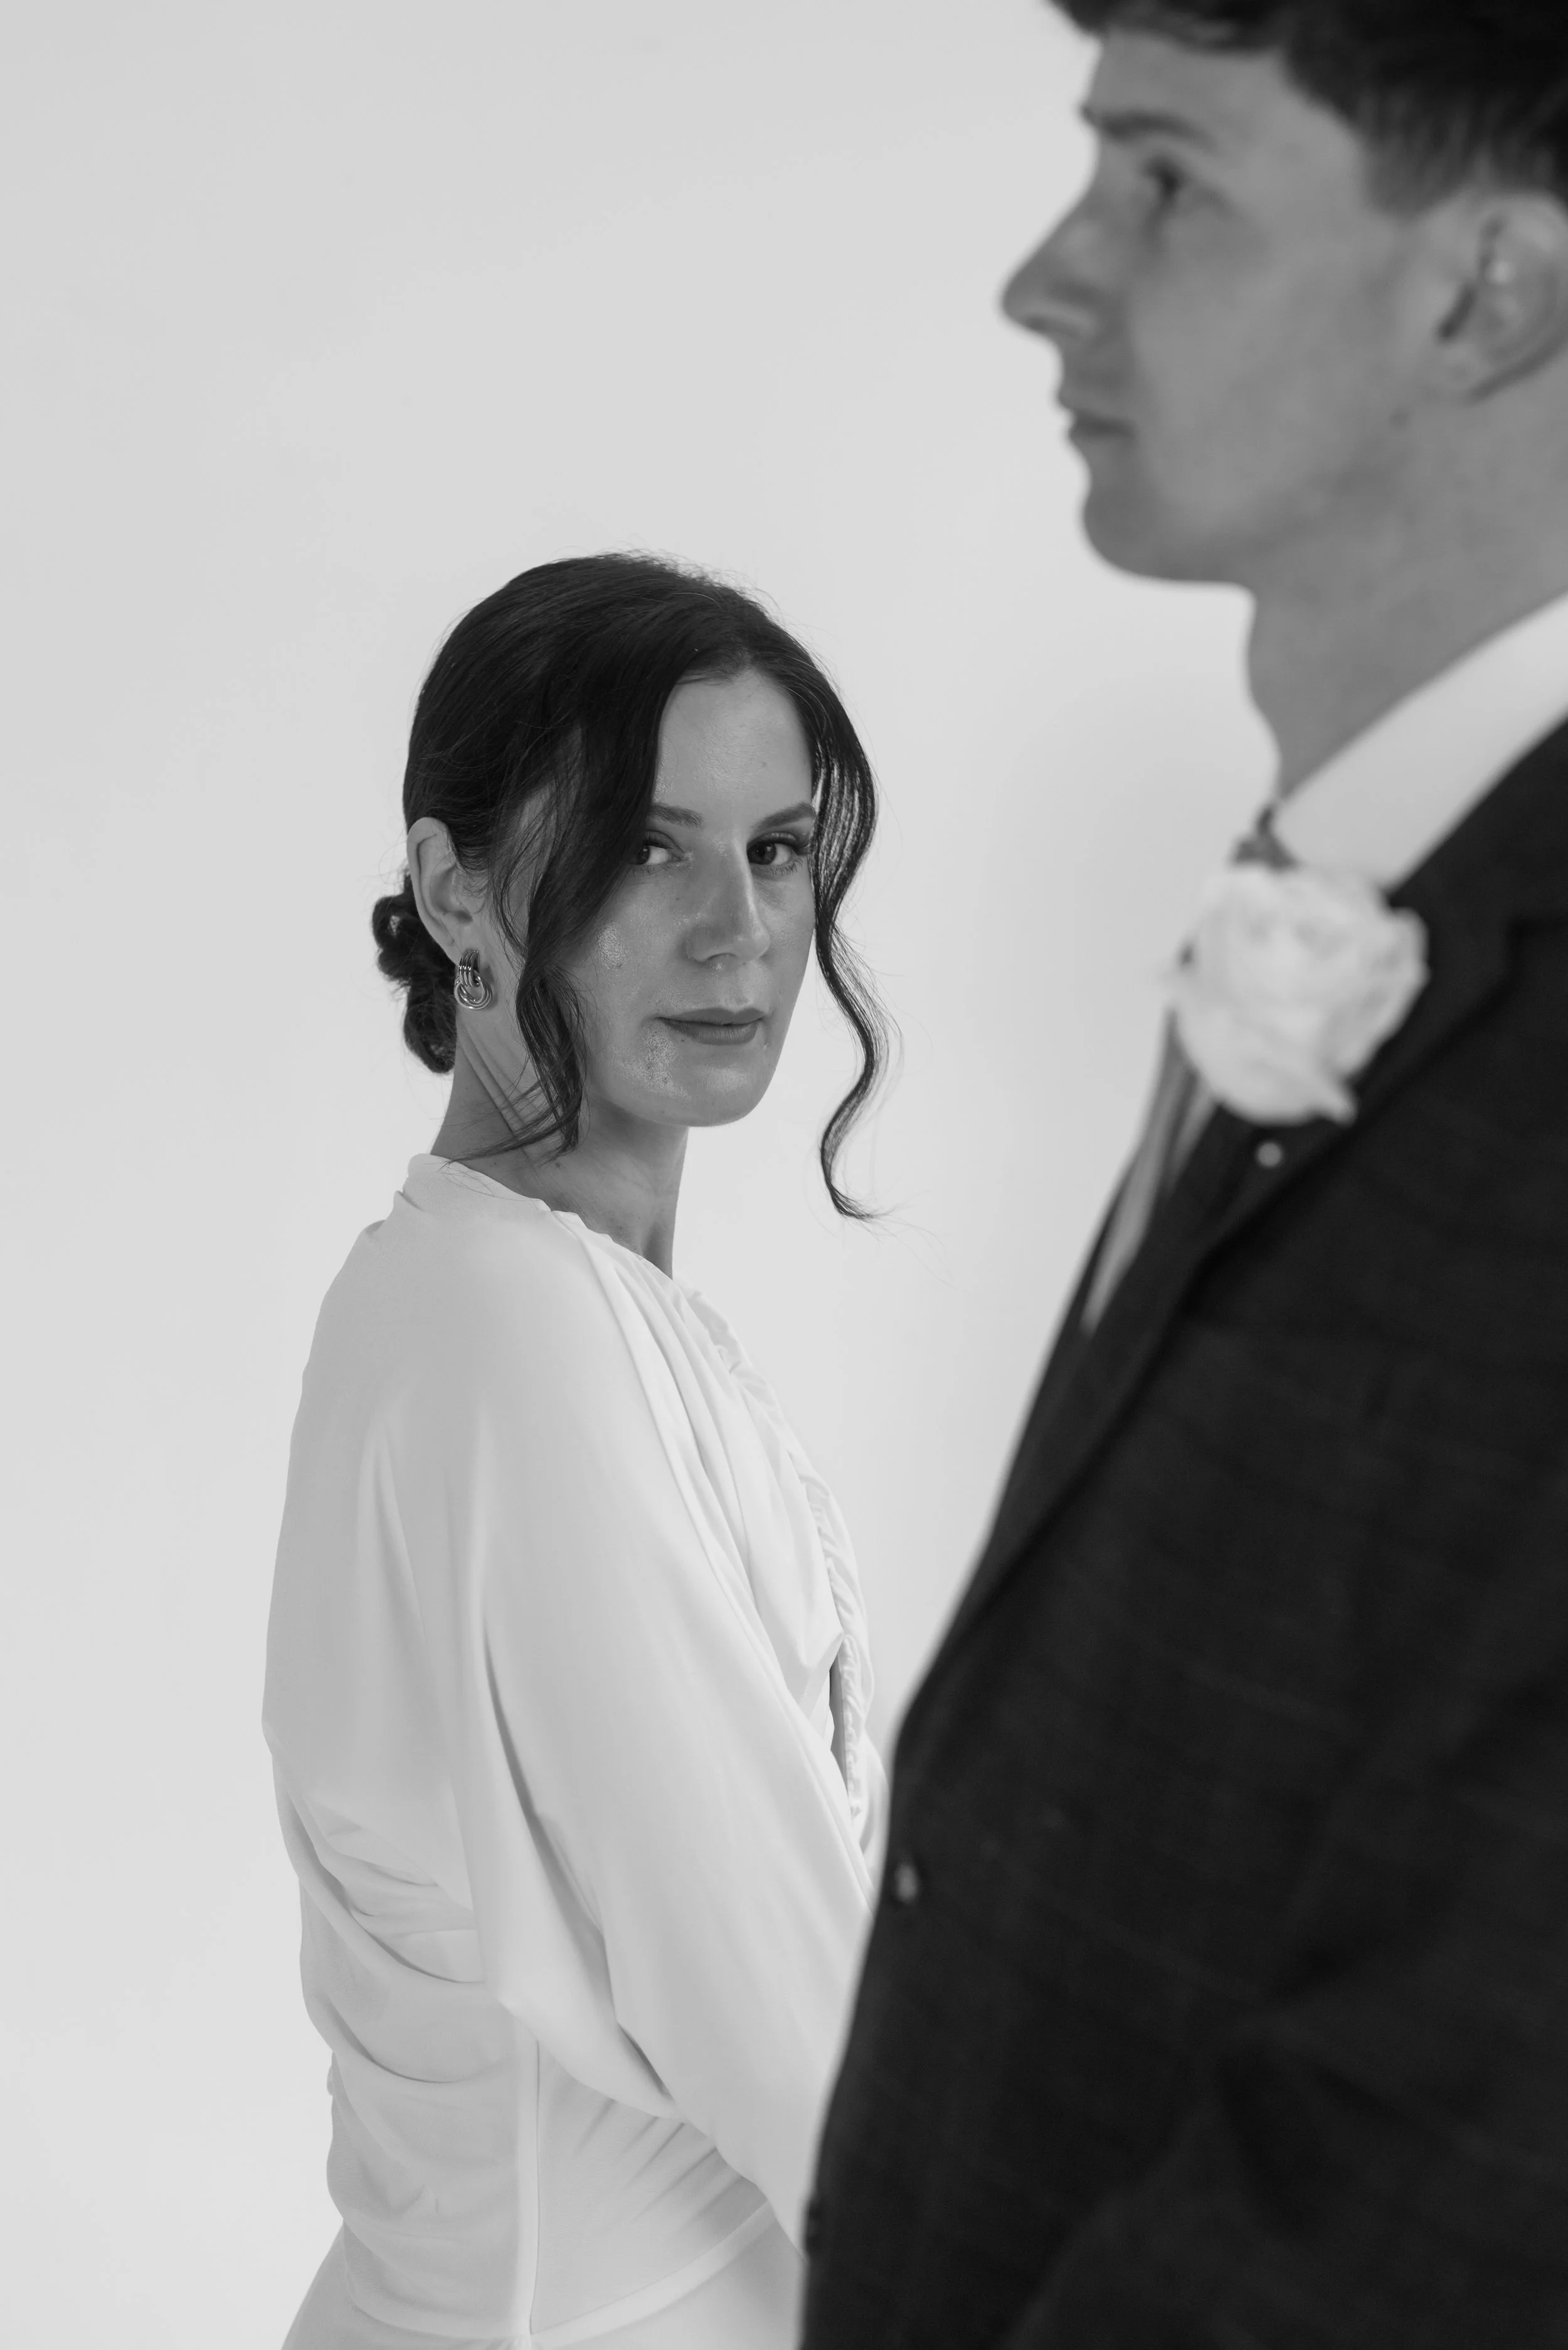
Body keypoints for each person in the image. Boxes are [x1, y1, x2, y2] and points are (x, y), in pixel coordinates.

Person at [802, 5, 1568, 2345]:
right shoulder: (1362, 895)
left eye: (1167, 183)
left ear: (1486, 289)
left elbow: (1470, 2140)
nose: (1046, 276)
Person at [263, 553, 891, 2350]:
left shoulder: (554, 1309)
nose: (737, 930)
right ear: (454, 883)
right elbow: (795, 2040)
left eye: (774, 850)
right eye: (641, 844)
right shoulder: (509, 1339)